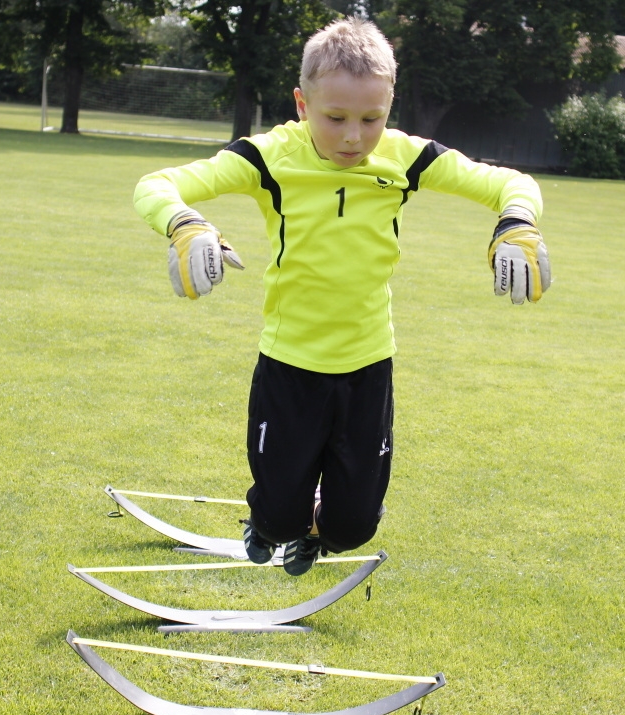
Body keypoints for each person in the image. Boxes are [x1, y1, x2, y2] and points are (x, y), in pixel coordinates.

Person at [133, 18, 551, 576]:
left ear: (390, 105)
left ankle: (316, 530)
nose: (354, 137)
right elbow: (155, 185)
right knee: (277, 516)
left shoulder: (405, 157)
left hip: (367, 365)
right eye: (335, 118)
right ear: (302, 104)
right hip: (289, 365)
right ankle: (276, 523)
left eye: (371, 119)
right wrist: (184, 223)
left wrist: (516, 223)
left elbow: (511, 182)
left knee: (352, 527)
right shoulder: (268, 157)